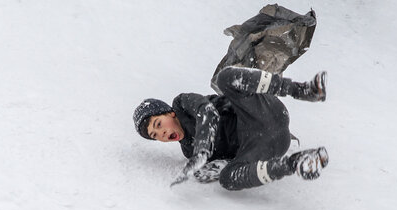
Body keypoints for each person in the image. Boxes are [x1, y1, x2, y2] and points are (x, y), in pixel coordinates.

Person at [132, 66, 329, 191]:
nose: (162, 134)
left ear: (169, 113)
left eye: (158, 125)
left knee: (225, 77)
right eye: (155, 136)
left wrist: (202, 151)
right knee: (228, 180)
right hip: (268, 147)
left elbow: (207, 112)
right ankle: (296, 163)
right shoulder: (188, 151)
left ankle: (303, 89)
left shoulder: (182, 103)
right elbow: (227, 161)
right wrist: (213, 169)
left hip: (260, 113)